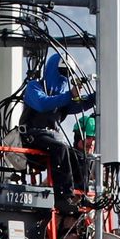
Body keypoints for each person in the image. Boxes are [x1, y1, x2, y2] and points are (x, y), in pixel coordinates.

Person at [21, 52, 96, 209]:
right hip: (32, 136)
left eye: (67, 74)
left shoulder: (63, 97)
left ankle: (80, 194)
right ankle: (62, 198)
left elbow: (79, 105)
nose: (64, 77)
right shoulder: (34, 87)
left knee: (80, 156)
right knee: (60, 147)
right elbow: (42, 103)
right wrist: (69, 95)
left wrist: (97, 96)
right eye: (62, 72)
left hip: (50, 139)